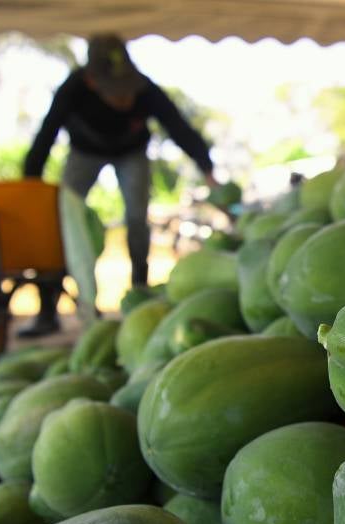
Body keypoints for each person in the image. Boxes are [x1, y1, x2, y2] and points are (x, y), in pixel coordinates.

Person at [21, 33, 217, 337]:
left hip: (131, 152)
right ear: (91, 81)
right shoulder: (74, 88)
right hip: (85, 152)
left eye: (128, 89)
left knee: (137, 216)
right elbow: (48, 131)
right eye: (115, 92)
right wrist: (31, 178)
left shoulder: (145, 89)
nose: (125, 99)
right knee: (63, 218)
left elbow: (177, 126)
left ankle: (140, 288)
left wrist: (207, 168)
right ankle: (48, 307)